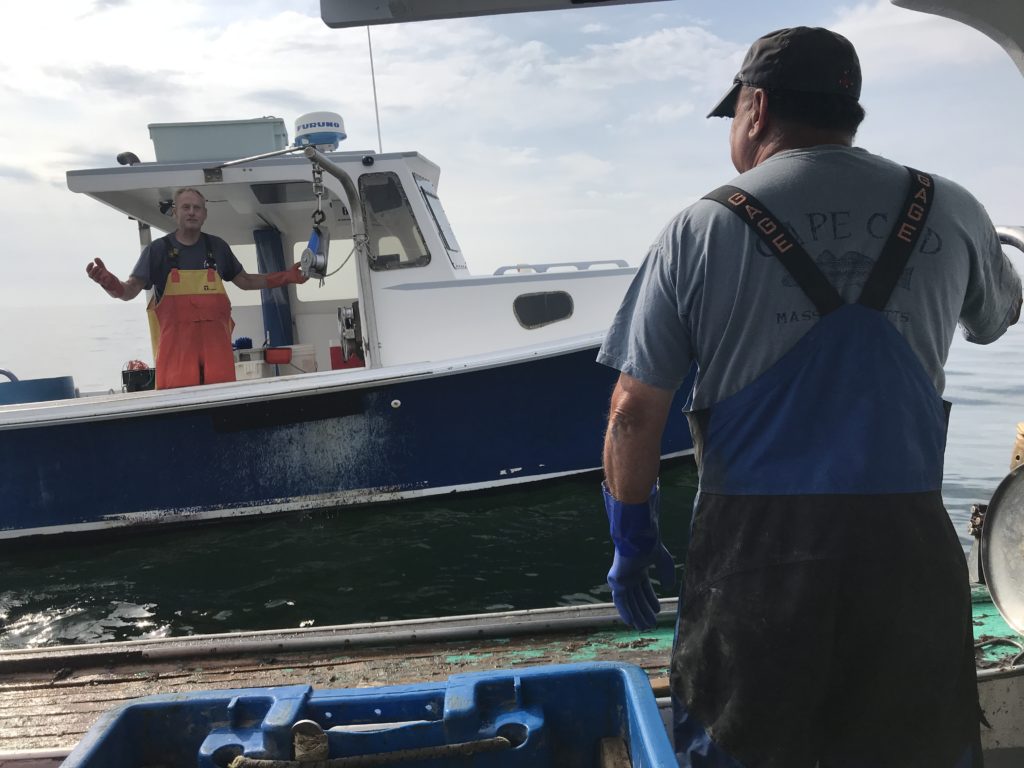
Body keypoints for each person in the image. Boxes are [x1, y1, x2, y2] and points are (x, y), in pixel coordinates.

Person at [598, 26, 1022, 768]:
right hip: (908, 555)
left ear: (755, 108)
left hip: (754, 563)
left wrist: (631, 539)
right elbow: (996, 318)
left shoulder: (698, 228)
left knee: (738, 750)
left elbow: (633, 411)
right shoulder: (950, 208)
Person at [86, 187, 307, 389]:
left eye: (197, 208)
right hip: (176, 367)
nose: (192, 212)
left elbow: (246, 281)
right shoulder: (157, 251)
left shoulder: (218, 248)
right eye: (186, 207)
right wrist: (111, 285)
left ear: (204, 214)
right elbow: (130, 290)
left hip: (218, 364)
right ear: (175, 212)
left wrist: (287, 276)